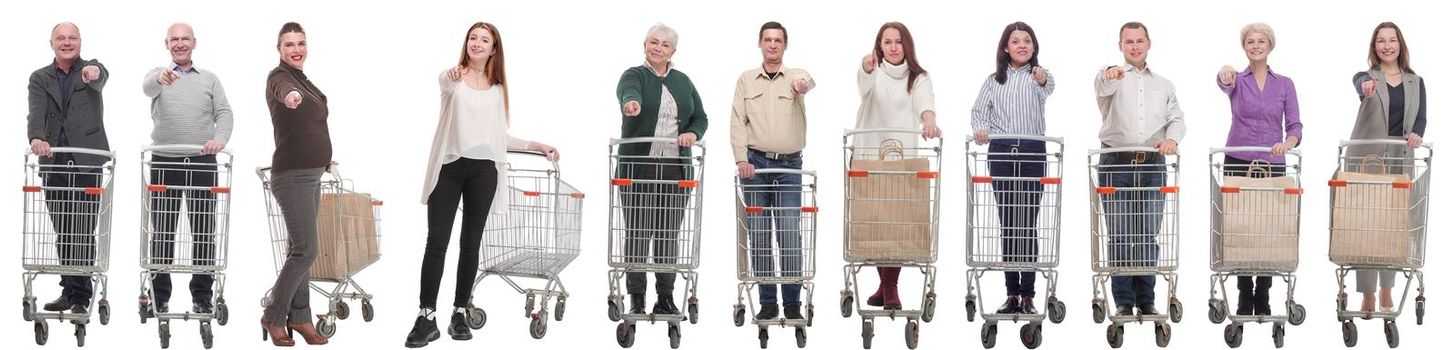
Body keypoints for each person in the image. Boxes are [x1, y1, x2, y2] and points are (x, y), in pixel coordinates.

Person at [405, 22, 559, 348]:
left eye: (484, 40)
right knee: (437, 241)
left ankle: (460, 311)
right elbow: (444, 84)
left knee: (471, 243)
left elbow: (498, 138)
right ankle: (426, 316)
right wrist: (452, 77)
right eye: (472, 38)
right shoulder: (452, 79)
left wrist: (538, 145)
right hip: (448, 167)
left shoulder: (497, 89)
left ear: (493, 49)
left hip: (483, 171)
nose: (476, 43)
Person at [615, 22, 709, 317]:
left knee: (668, 233)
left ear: (673, 51)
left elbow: (700, 117)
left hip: (674, 170)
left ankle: (665, 296)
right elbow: (628, 92)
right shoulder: (634, 75)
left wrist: (693, 134)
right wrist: (631, 103)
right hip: (638, 168)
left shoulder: (683, 81)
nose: (657, 48)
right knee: (638, 232)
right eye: (652, 42)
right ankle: (637, 297)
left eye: (664, 45)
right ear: (644, 45)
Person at [140, 22, 234, 316]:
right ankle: (159, 296)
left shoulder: (209, 79)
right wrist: (161, 76)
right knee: (163, 231)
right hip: (164, 161)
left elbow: (225, 113)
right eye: (174, 40)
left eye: (185, 39)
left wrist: (219, 140)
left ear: (194, 43)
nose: (180, 44)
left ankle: (203, 296)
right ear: (166, 44)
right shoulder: (158, 75)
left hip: (201, 162)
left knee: (204, 231)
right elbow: (147, 88)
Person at [1094, 21, 1186, 317]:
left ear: (1149, 44)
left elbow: (1177, 118)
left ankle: (1146, 298)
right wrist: (1109, 73)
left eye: (1139, 41)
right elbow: (1102, 84)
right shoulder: (1111, 77)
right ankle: (1123, 300)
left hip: (1152, 165)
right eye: (1128, 41)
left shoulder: (1164, 84)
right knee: (1119, 233)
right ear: (1120, 46)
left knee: (1147, 233)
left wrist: (1172, 138)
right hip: (1116, 163)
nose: (1134, 46)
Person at [1214, 22, 1302, 316]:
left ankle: (1263, 293)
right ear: (1244, 47)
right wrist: (1224, 71)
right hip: (1238, 159)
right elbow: (1223, 81)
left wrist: (1288, 143)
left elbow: (1295, 125)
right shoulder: (1237, 79)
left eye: (1260, 41)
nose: (1255, 46)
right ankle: (1243, 293)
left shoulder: (1285, 83)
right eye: (1250, 42)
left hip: (1272, 162)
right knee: (1240, 228)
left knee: (1268, 229)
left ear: (1270, 45)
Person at [854, 21, 942, 311]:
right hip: (870, 155)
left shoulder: (919, 77)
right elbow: (864, 86)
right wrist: (867, 67)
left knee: (898, 221)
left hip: (902, 158)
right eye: (887, 41)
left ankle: (889, 286)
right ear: (879, 46)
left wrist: (928, 120)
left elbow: (924, 101)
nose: (893, 47)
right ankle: (884, 285)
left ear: (907, 45)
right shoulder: (873, 72)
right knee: (876, 220)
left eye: (898, 41)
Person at [731, 21, 815, 321]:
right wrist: (741, 158)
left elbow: (808, 79)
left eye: (778, 40)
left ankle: (792, 301)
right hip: (755, 165)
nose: (772, 45)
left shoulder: (795, 76)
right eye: (767, 39)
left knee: (790, 232)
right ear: (759, 43)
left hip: (789, 166)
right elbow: (738, 121)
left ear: (785, 45)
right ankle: (768, 300)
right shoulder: (746, 80)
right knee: (760, 233)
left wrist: (802, 85)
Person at [970, 21, 1053, 315]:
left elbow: (1048, 87)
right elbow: (979, 111)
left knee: (1027, 223)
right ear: (1005, 47)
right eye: (1015, 41)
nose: (1022, 45)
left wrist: (1042, 78)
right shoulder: (994, 80)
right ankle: (1012, 294)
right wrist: (981, 130)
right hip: (1002, 152)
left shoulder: (1039, 77)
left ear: (1034, 47)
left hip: (1032, 152)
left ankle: (1028, 294)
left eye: (1027, 41)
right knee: (1009, 223)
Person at [26, 22, 110, 316]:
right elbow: (35, 111)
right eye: (60, 38)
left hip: (86, 162)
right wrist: (36, 137)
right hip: (55, 162)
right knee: (64, 231)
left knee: (84, 231)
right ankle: (68, 290)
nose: (66, 42)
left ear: (80, 42)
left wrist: (94, 72)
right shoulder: (39, 77)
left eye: (72, 38)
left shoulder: (91, 70)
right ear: (52, 43)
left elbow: (101, 74)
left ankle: (80, 296)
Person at [1347, 21, 1426, 316]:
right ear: (1375, 46)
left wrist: (1417, 133)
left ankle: (1387, 289)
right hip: (1369, 156)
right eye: (1381, 41)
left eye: (1392, 40)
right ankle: (1367, 292)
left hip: (1400, 156)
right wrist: (1366, 87)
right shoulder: (1366, 77)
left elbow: (1420, 119)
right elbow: (1359, 85)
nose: (1387, 45)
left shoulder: (1415, 81)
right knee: (1367, 224)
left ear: (1400, 45)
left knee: (1394, 225)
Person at [260, 22, 329, 347]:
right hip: (292, 176)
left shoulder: (305, 79)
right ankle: (274, 315)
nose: (296, 48)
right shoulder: (281, 78)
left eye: (300, 42)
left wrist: (325, 159)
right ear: (279, 49)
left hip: (312, 173)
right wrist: (290, 96)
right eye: (289, 44)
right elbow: (284, 89)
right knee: (306, 250)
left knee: (298, 249)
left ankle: (300, 317)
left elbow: (309, 127)